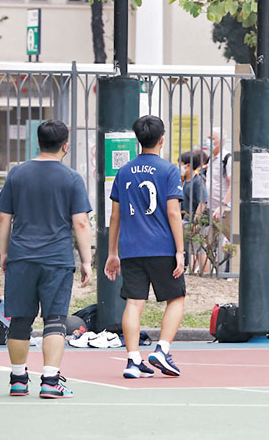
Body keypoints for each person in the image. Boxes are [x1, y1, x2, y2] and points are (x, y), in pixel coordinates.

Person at [0, 119, 92, 399]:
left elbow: (4, 217)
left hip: (22, 256)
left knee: (20, 320)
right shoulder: (72, 178)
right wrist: (86, 260)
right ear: (66, 145)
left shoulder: (18, 174)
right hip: (57, 259)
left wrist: (4, 252)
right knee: (54, 321)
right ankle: (50, 381)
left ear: (37, 142)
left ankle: (17, 379)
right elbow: (82, 223)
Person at [105, 116, 186, 379]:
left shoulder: (124, 170)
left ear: (138, 140)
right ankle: (162, 349)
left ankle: (132, 360)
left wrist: (112, 253)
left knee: (134, 303)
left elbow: (114, 217)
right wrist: (180, 251)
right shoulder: (168, 170)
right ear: (162, 139)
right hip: (162, 247)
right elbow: (174, 213)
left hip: (130, 249)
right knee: (176, 298)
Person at [206, 128, 232, 270]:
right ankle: (212, 271)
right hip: (211, 208)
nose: (208, 141)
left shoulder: (226, 158)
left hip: (224, 210)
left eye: (212, 138)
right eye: (208, 138)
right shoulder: (211, 159)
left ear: (221, 141)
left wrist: (223, 205)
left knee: (230, 241)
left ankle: (230, 271)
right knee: (208, 242)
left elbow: (232, 183)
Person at [179, 151, 208, 273]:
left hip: (194, 222)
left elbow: (203, 202)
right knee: (191, 249)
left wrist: (195, 221)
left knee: (198, 250)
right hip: (186, 221)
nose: (179, 167)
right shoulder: (185, 180)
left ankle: (205, 274)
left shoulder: (197, 181)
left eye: (181, 164)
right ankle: (192, 272)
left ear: (189, 166)